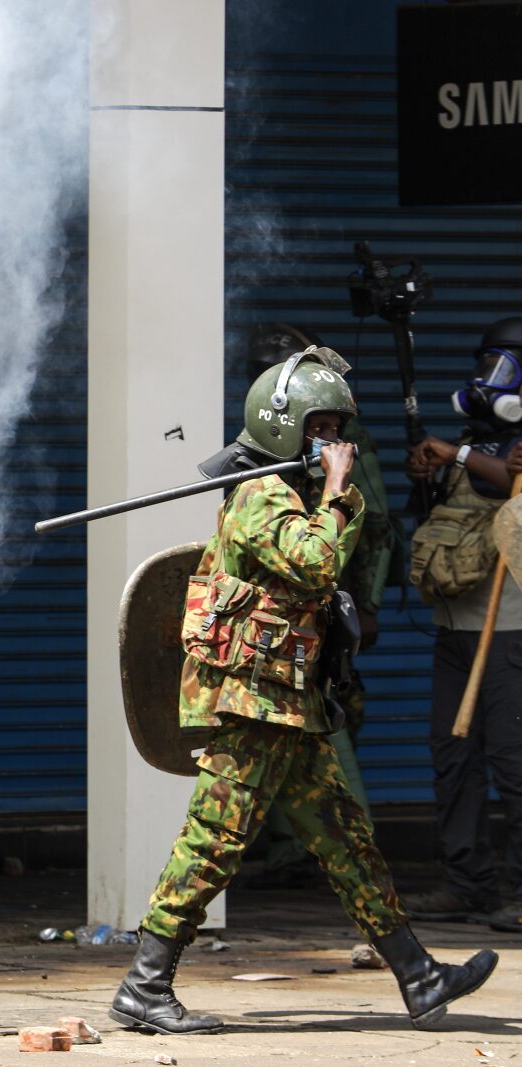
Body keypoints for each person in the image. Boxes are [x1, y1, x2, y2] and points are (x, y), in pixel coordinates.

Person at [110, 347, 496, 1035]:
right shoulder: (261, 495)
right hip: (251, 705)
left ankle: (419, 974)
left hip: (288, 702)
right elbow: (317, 562)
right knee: (213, 840)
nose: (334, 444)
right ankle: (145, 985)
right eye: (320, 429)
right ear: (283, 427)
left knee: (346, 839)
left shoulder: (291, 494)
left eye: (338, 430)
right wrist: (345, 489)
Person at [241, 325, 391, 889]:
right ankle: (291, 854)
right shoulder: (259, 479)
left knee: (333, 742)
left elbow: (373, 526)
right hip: (271, 649)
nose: (325, 437)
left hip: (325, 616)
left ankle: (399, 942)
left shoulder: (342, 462)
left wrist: (369, 603)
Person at [402, 316, 522, 930]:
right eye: (489, 363)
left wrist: (460, 453)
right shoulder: (474, 441)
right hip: (456, 629)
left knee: (512, 760)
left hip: (507, 634)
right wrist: (430, 472)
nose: (490, 378)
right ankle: (466, 881)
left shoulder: (507, 447)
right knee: (453, 755)